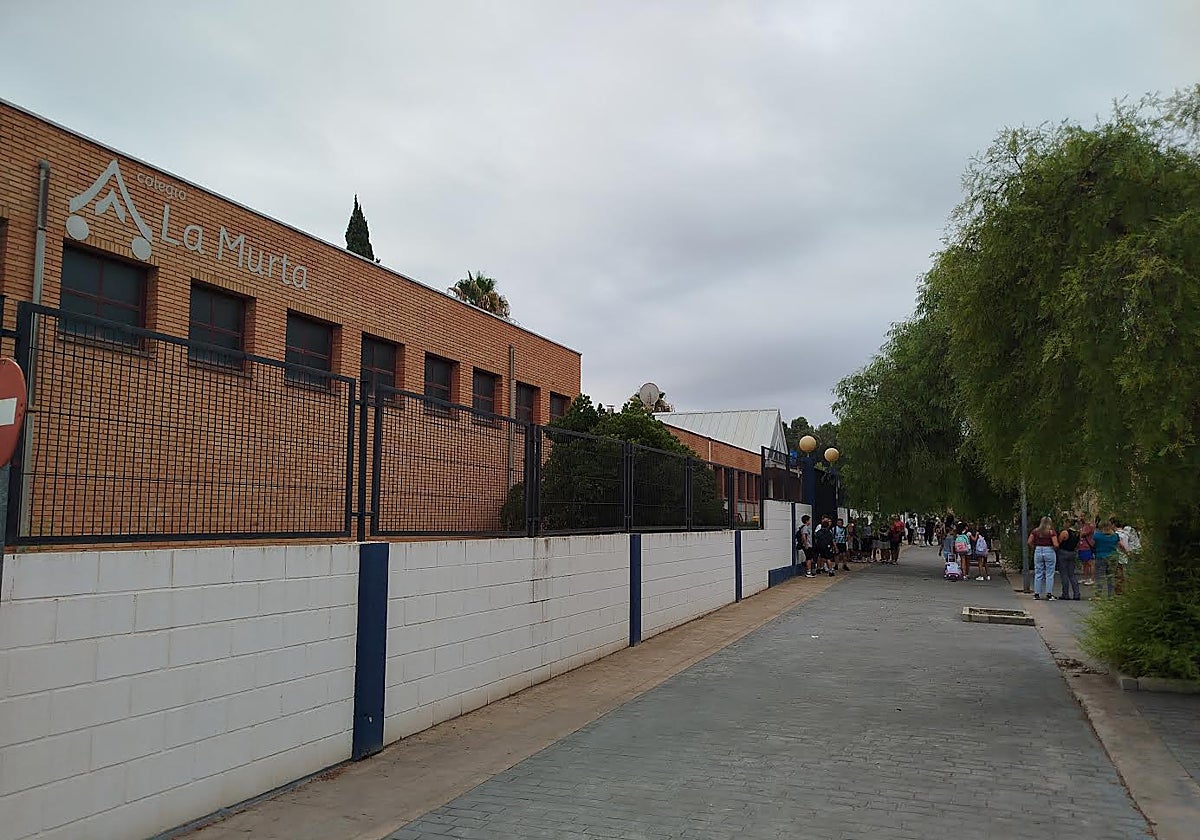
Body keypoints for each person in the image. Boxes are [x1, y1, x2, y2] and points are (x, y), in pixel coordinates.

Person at [1092, 519, 1129, 597]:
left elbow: (1093, 545)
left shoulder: (1097, 536)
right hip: (1113, 557)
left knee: (1099, 576)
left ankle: (1098, 594)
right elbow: (1121, 546)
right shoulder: (1115, 536)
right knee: (1111, 576)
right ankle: (1111, 595)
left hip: (1101, 557)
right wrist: (1127, 553)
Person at [1027, 515, 1059, 600]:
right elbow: (1056, 544)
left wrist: (1034, 547)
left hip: (1038, 550)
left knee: (1038, 572)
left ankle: (1037, 593)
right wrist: (1054, 549)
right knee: (1049, 573)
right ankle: (1049, 593)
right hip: (1049, 550)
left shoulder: (1035, 531)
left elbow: (1029, 541)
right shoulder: (1051, 532)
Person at [1057, 519, 1082, 600]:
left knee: (1064, 574)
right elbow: (1078, 545)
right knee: (1072, 574)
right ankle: (1076, 593)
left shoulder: (1065, 532)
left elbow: (1058, 542)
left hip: (1063, 552)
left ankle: (1065, 594)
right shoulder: (1078, 534)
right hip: (1072, 553)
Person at [1078, 517, 1096, 586]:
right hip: (1081, 546)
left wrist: (1080, 532)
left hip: (1087, 547)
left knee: (1090, 562)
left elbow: (1082, 534)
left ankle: (1092, 578)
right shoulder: (1083, 526)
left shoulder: (1090, 526)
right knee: (1084, 563)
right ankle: (1085, 577)